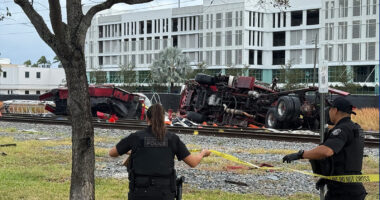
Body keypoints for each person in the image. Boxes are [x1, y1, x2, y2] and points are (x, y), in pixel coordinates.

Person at [109, 104, 211, 200]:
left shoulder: (135, 137)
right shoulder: (172, 139)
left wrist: (131, 151)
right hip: (164, 193)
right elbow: (193, 162)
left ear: (147, 118)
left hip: (139, 192)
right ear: (163, 119)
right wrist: (203, 153)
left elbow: (112, 153)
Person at [282, 97, 366, 200]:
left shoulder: (342, 129)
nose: (329, 111)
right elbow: (347, 158)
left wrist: (301, 154)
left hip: (343, 192)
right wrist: (328, 179)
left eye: (330, 109)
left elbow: (326, 151)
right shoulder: (355, 128)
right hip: (350, 188)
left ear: (335, 110)